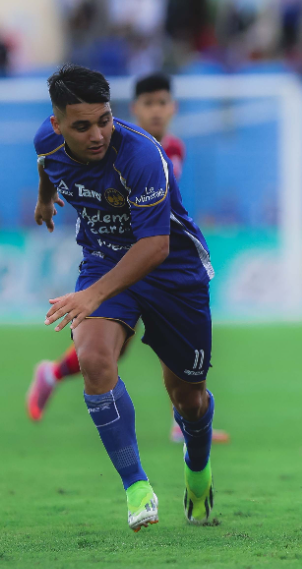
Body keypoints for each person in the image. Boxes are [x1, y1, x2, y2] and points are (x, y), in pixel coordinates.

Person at [32, 65, 218, 530]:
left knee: (189, 399)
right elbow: (46, 163)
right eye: (82, 126)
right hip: (104, 258)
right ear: (57, 124)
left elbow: (155, 246)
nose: (97, 135)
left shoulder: (142, 154)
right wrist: (45, 198)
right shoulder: (46, 141)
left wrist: (91, 296)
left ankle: (197, 473)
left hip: (172, 270)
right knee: (94, 358)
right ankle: (136, 487)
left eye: (104, 120)